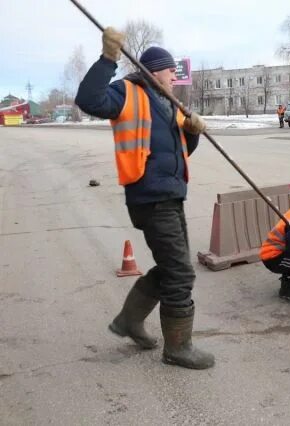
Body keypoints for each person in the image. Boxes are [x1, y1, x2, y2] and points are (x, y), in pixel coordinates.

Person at [75, 27, 214, 369]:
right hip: (150, 197)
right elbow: (89, 100)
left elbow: (179, 152)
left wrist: (192, 133)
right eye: (170, 73)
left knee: (172, 269)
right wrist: (109, 59)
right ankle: (178, 348)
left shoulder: (168, 104)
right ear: (155, 72)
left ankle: (129, 321)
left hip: (170, 195)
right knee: (181, 274)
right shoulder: (127, 92)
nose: (173, 79)